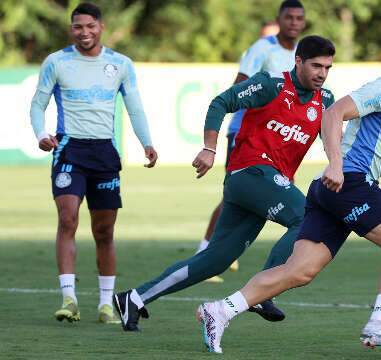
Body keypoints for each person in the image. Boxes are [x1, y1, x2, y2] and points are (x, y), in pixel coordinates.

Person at [196, 33, 381, 354]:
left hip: (333, 190)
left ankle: (220, 310)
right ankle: (379, 325)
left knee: (299, 271)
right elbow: (333, 113)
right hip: (349, 182)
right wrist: (336, 164)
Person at [113, 35, 336, 332]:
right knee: (305, 216)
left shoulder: (326, 101)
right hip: (250, 171)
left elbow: (334, 140)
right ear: (298, 61)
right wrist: (210, 147)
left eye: (327, 68)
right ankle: (265, 290)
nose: (321, 73)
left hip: (263, 184)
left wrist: (341, 165)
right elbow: (222, 101)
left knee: (215, 261)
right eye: (316, 65)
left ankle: (135, 299)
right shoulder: (271, 85)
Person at [29, 2, 157, 324]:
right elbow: (37, 103)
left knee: (104, 230)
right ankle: (69, 299)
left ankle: (104, 305)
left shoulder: (120, 64)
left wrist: (147, 143)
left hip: (104, 154)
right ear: (71, 29)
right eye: (77, 27)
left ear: (101, 27)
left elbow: (135, 107)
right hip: (69, 150)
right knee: (68, 218)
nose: (84, 32)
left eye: (90, 26)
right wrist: (42, 134)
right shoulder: (56, 62)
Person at [195, 0, 306, 283]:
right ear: (279, 19)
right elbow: (239, 85)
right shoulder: (262, 49)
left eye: (299, 18)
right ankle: (207, 251)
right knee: (234, 193)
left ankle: (224, 253)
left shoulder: (303, 54)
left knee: (262, 194)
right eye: (289, 17)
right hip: (246, 133)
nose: (294, 22)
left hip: (278, 137)